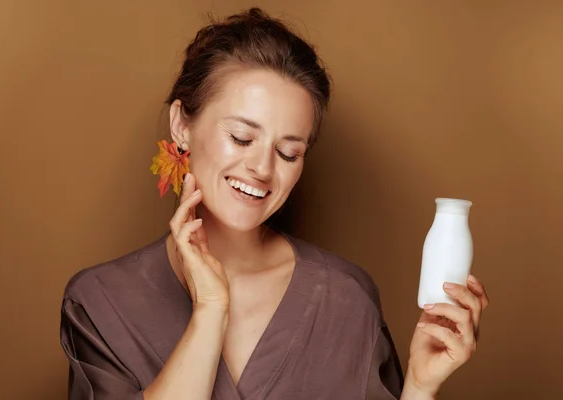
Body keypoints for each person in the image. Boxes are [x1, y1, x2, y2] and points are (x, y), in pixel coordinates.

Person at [60, 8, 489, 400]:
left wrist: (418, 386)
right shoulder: (100, 304)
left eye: (288, 152)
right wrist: (211, 312)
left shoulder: (345, 299)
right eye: (242, 138)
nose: (262, 168)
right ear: (181, 126)